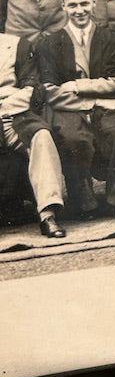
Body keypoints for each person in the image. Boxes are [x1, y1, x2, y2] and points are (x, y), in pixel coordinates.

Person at [36, 0, 115, 218]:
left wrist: (78, 85)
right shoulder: (48, 43)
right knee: (74, 139)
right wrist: (94, 99)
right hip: (69, 109)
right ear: (63, 6)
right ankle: (84, 200)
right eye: (72, 5)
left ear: (94, 3)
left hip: (109, 107)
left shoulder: (113, 38)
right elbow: (50, 90)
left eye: (84, 3)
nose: (79, 10)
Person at [0, 30, 67, 237]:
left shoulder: (17, 45)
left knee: (41, 136)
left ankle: (48, 214)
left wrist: (5, 106)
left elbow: (30, 87)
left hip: (14, 114)